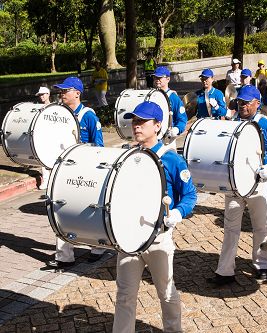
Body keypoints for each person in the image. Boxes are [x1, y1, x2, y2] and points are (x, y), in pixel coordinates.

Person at [113, 101, 197, 333]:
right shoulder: (129, 156)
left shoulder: (172, 159)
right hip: (129, 238)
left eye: (142, 122)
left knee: (167, 293)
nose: (136, 126)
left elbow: (190, 194)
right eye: (134, 121)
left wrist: (178, 213)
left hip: (158, 237)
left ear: (157, 126)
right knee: (124, 296)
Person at [206, 85, 267, 285]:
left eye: (246, 102)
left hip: (258, 183)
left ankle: (262, 265)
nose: (242, 105)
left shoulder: (264, 124)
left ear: (257, 103)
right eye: (240, 102)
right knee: (230, 227)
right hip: (235, 184)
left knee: (261, 226)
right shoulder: (233, 123)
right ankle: (225, 270)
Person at [46, 76, 106, 269]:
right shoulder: (59, 115)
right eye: (61, 91)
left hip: (85, 169)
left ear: (77, 93)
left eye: (66, 90)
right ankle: (64, 256)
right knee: (60, 208)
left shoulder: (88, 115)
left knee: (91, 208)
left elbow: (99, 145)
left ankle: (98, 246)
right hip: (64, 169)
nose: (62, 93)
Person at [152, 66, 188, 148]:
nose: (157, 79)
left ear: (168, 79)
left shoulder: (173, 97)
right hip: (152, 138)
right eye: (155, 77)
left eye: (160, 77)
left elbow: (182, 119)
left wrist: (176, 129)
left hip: (167, 140)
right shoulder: (151, 96)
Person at [35, 87, 52, 190]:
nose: (41, 97)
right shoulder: (38, 108)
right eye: (40, 95)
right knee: (43, 158)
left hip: (53, 136)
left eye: (43, 94)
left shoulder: (55, 107)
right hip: (42, 136)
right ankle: (45, 180)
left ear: (48, 94)